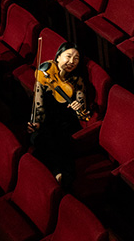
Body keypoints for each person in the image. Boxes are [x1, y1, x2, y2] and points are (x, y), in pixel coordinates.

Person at [28, 42, 93, 185]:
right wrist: (36, 122)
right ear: (58, 57)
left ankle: (58, 174)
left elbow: (82, 113)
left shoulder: (77, 81)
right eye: (68, 56)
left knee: (52, 141)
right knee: (40, 137)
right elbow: (38, 104)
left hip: (66, 123)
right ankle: (59, 173)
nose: (71, 61)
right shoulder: (45, 74)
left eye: (76, 58)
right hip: (47, 121)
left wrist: (78, 107)